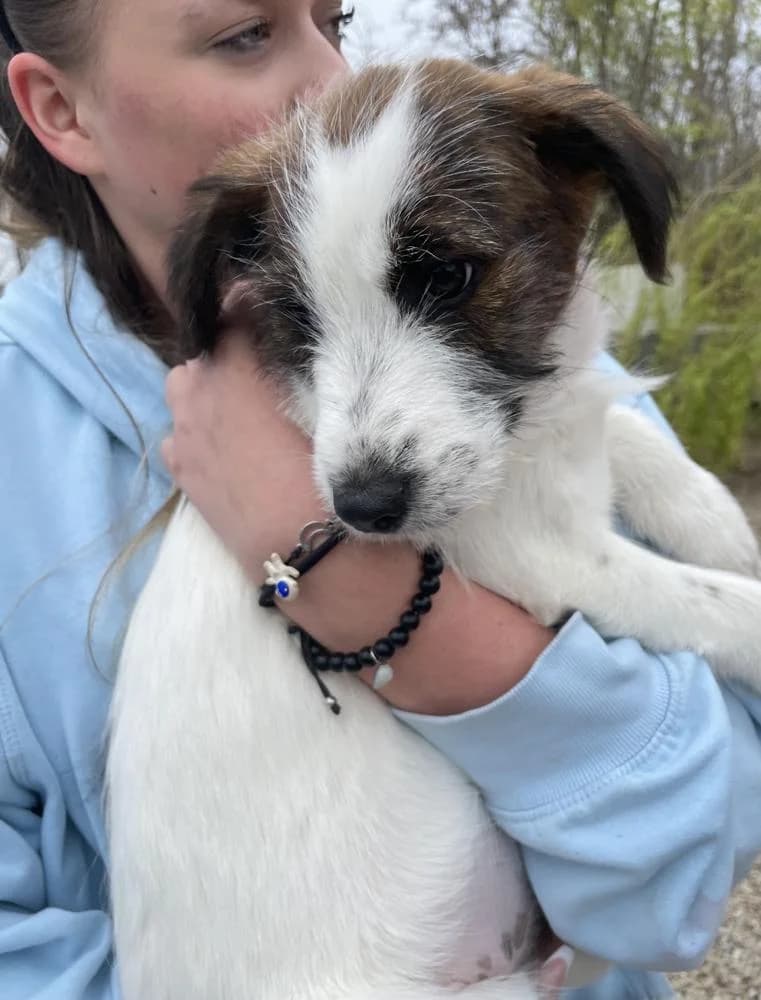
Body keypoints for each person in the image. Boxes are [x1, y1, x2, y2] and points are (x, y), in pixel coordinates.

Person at [0, 1, 758, 997]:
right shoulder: (23, 445)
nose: (329, 78)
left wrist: (353, 591)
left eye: (337, 18)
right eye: (243, 35)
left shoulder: (543, 361)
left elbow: (694, 873)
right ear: (58, 108)